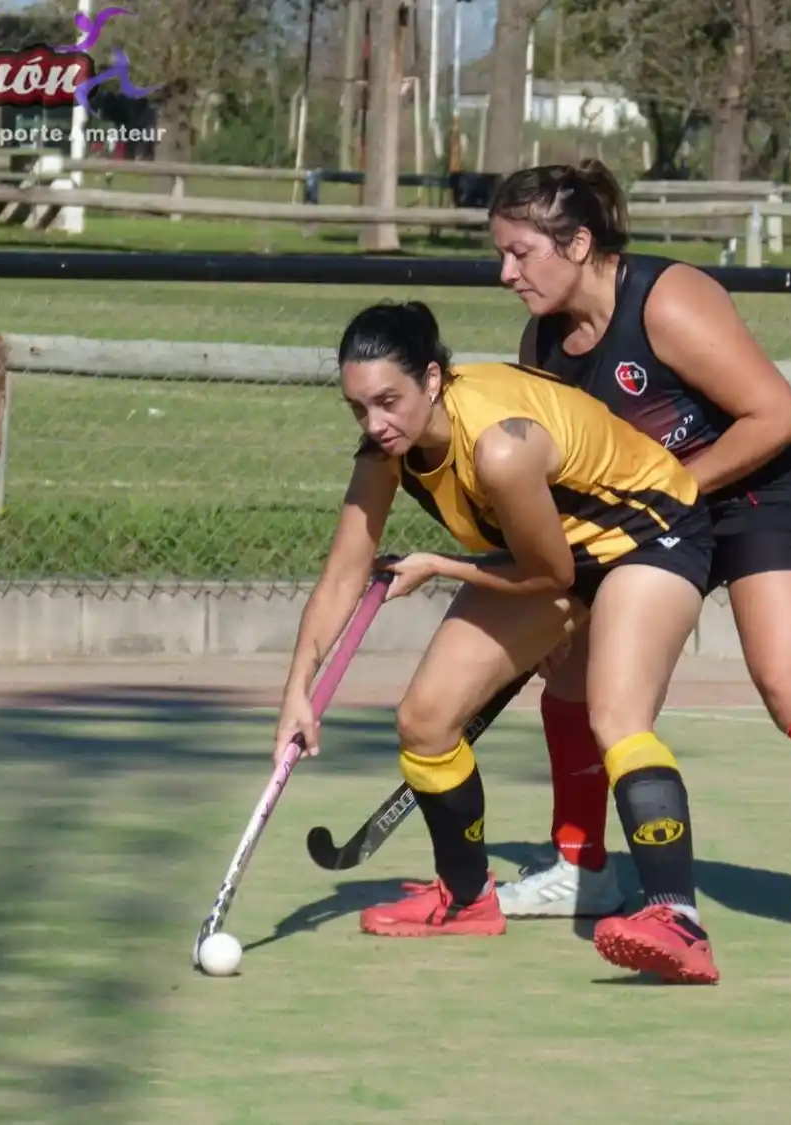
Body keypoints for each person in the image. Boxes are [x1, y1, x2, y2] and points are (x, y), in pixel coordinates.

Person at [482, 160, 791, 957]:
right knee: (571, 672)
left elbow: (776, 413)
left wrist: (664, 490)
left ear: (576, 243)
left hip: (767, 486)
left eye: (521, 252)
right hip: (667, 504)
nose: (506, 273)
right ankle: (581, 864)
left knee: (785, 674)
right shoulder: (545, 342)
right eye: (500, 253)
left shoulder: (668, 299)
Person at [273, 300, 724, 984]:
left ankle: (678, 919)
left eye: (388, 401)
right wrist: (297, 693)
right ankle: (465, 896)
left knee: (617, 717)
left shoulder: (500, 447)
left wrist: (438, 567)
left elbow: (551, 575)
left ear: (432, 378)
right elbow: (343, 574)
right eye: (358, 407)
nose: (375, 424)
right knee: (424, 721)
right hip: (555, 549)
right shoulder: (389, 448)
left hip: (649, 532)